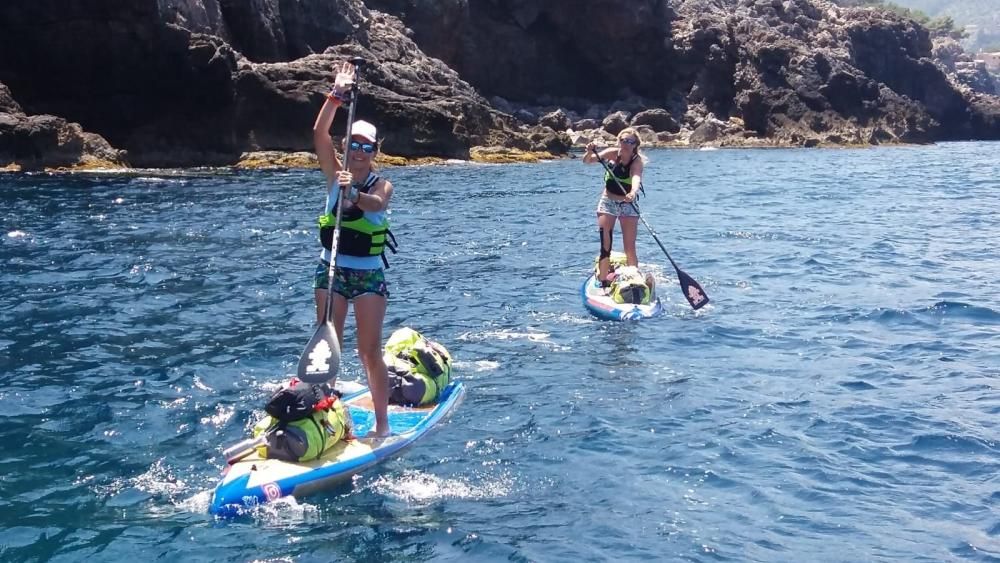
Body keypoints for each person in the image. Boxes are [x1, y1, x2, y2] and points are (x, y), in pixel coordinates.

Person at [312, 60, 393, 437]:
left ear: (374, 150)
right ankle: (325, 421)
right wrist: (337, 93)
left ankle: (382, 424)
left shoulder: (382, 184)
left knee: (368, 351)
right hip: (330, 270)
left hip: (367, 276)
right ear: (347, 146)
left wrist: (354, 193)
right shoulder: (333, 172)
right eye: (353, 145)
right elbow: (319, 132)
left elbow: (376, 205)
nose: (358, 152)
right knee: (327, 345)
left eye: (366, 147)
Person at [583, 127, 646, 286]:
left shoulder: (636, 161)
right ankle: (603, 282)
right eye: (623, 140)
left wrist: (633, 192)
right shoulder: (612, 153)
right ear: (619, 141)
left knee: (629, 247)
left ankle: (634, 283)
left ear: (635, 144)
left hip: (628, 204)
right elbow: (587, 161)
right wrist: (590, 152)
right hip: (608, 202)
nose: (625, 144)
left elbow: (636, 178)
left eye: (630, 141)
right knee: (605, 245)